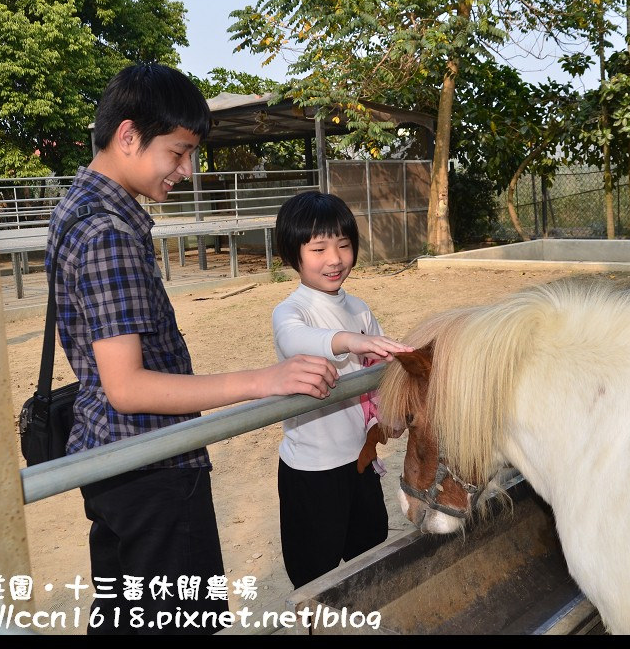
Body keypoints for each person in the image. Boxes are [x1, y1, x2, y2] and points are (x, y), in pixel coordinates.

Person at [47, 63, 338, 635]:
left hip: (110, 460)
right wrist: (266, 380)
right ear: (128, 136)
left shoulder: (76, 206)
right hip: (152, 466)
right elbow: (127, 387)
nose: (186, 170)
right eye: (177, 153)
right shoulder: (108, 233)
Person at [271, 191, 412, 589]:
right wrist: (351, 341)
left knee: (369, 557)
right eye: (319, 249)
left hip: (360, 461)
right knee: (316, 576)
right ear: (291, 254)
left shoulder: (360, 308)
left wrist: (393, 410)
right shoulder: (291, 311)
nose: (334, 259)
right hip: (312, 470)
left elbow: (382, 373)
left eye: (344, 246)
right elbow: (297, 340)